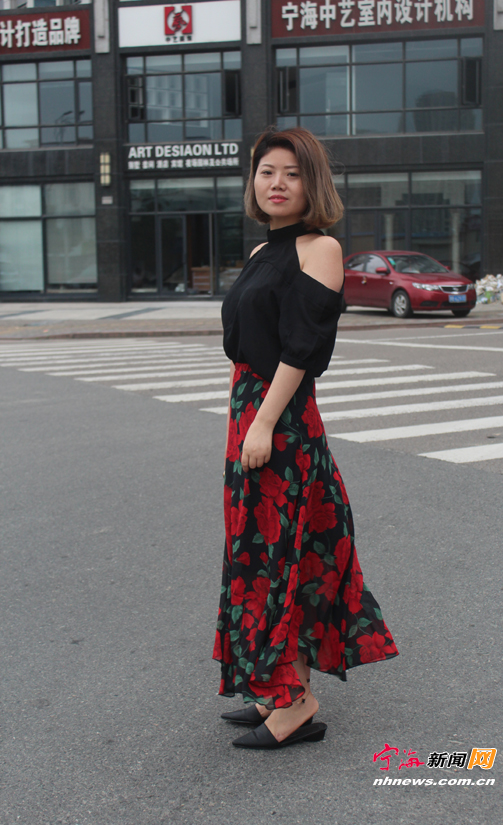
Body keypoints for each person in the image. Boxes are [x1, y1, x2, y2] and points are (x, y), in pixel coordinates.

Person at [213, 126, 398, 750]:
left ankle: (294, 704)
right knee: (261, 554)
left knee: (278, 555)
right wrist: (247, 417)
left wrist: (264, 422)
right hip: (251, 410)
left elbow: (302, 346)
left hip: (281, 418)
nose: (277, 183)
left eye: (291, 173)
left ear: (311, 183)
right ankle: (280, 688)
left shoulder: (320, 247)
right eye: (267, 171)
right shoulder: (262, 252)